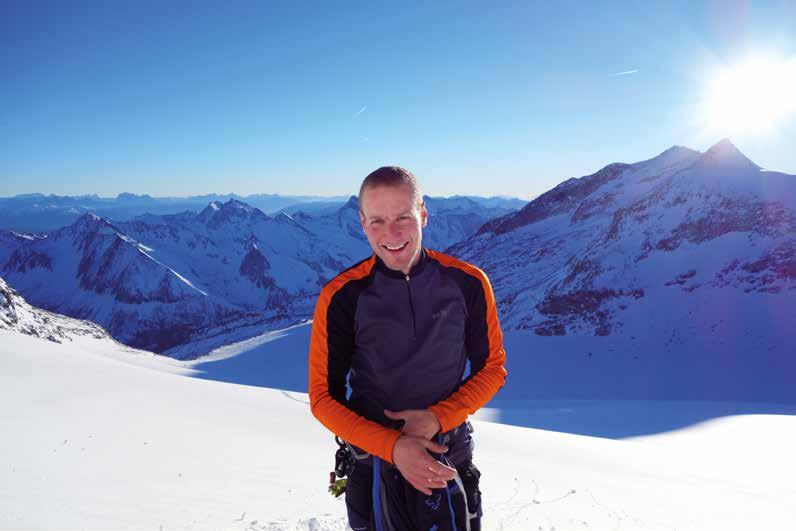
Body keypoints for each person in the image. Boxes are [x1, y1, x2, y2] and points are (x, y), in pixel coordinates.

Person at [308, 166, 507, 530]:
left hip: (448, 458)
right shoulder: (341, 297)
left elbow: (492, 369)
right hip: (374, 465)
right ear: (362, 222)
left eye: (403, 217)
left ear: (423, 214)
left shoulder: (468, 284)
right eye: (378, 221)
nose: (392, 234)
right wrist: (393, 446)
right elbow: (323, 398)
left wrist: (437, 418)